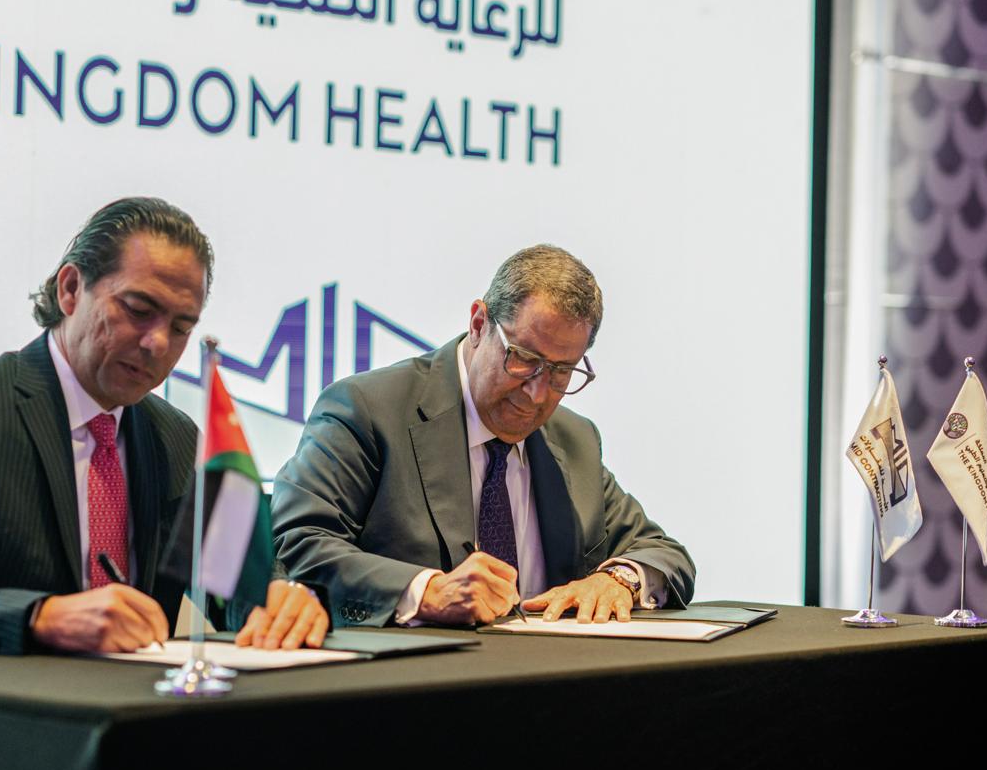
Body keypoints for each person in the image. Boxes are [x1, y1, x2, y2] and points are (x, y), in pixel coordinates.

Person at [0, 197, 328, 655]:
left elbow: (239, 586)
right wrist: (40, 617)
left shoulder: (177, 439)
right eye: (138, 310)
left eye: (181, 327)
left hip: (133, 706)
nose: (158, 343)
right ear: (71, 289)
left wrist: (281, 599)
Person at [272, 244, 694, 628]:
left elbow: (663, 552)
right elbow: (297, 544)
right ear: (478, 324)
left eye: (561, 372)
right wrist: (424, 592)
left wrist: (619, 579)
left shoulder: (574, 438)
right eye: (524, 359)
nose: (537, 393)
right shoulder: (367, 410)